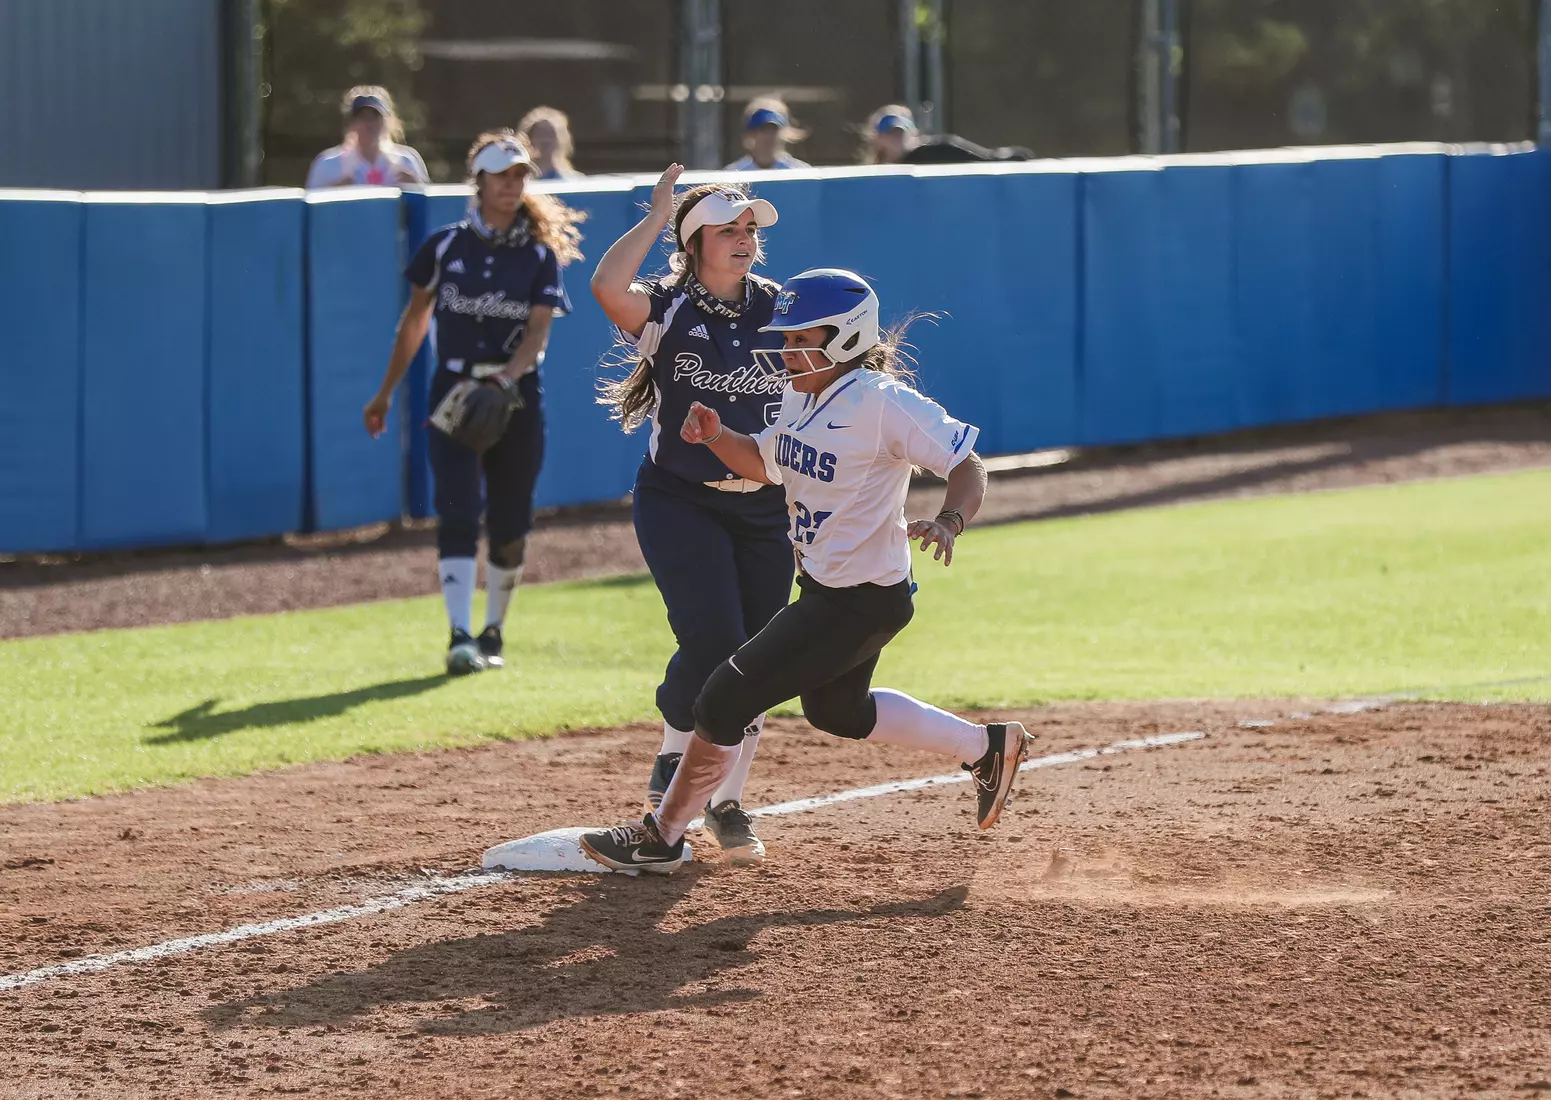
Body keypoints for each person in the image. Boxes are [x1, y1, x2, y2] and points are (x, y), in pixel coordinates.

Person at [580, 268, 1033, 873]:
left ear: (846, 337)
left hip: (858, 601)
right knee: (837, 712)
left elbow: (967, 464)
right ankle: (986, 746)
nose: (787, 351)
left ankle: (660, 838)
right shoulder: (801, 395)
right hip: (835, 591)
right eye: (787, 339)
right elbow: (766, 464)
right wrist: (718, 438)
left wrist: (949, 519)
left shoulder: (881, 401)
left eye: (801, 339)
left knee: (721, 701)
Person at [589, 164, 793, 863]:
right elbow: (606, 289)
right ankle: (678, 759)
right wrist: (656, 215)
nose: (743, 240)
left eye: (749, 231)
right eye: (727, 230)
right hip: (680, 498)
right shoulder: (670, 309)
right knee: (713, 641)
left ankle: (728, 800)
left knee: (759, 658)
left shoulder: (781, 308)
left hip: (767, 504)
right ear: (692, 242)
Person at [363, 131, 584, 675]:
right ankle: (459, 634)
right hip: (455, 390)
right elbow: (414, 322)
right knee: (457, 508)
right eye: (501, 175)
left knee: (511, 517)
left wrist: (505, 380)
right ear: (479, 181)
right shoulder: (443, 246)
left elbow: (537, 334)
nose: (511, 185)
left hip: (515, 395)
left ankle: (494, 630)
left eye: (519, 176)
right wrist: (385, 391)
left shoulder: (537, 254)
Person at [306, 86, 429, 188]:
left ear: (388, 121)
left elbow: (430, 210)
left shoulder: (407, 161)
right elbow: (311, 212)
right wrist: (332, 195)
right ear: (351, 123)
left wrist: (417, 189)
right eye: (362, 117)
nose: (369, 123)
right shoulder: (328, 164)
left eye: (375, 116)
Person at [725, 97, 811, 171]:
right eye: (764, 129)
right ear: (751, 134)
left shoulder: (801, 173)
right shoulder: (733, 175)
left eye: (774, 129)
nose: (770, 136)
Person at [519, 106, 584, 181]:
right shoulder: (520, 180)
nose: (545, 140)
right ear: (529, 138)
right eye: (540, 134)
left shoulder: (575, 181)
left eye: (551, 135)